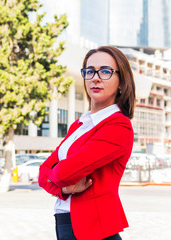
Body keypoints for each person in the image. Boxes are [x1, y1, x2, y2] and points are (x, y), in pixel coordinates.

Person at [38, 46, 136, 240]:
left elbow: (63, 172)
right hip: (66, 223)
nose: (95, 77)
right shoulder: (79, 125)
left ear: (122, 83)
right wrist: (65, 189)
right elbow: (43, 173)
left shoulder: (118, 126)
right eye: (90, 71)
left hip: (92, 229)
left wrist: (57, 175)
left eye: (106, 71)